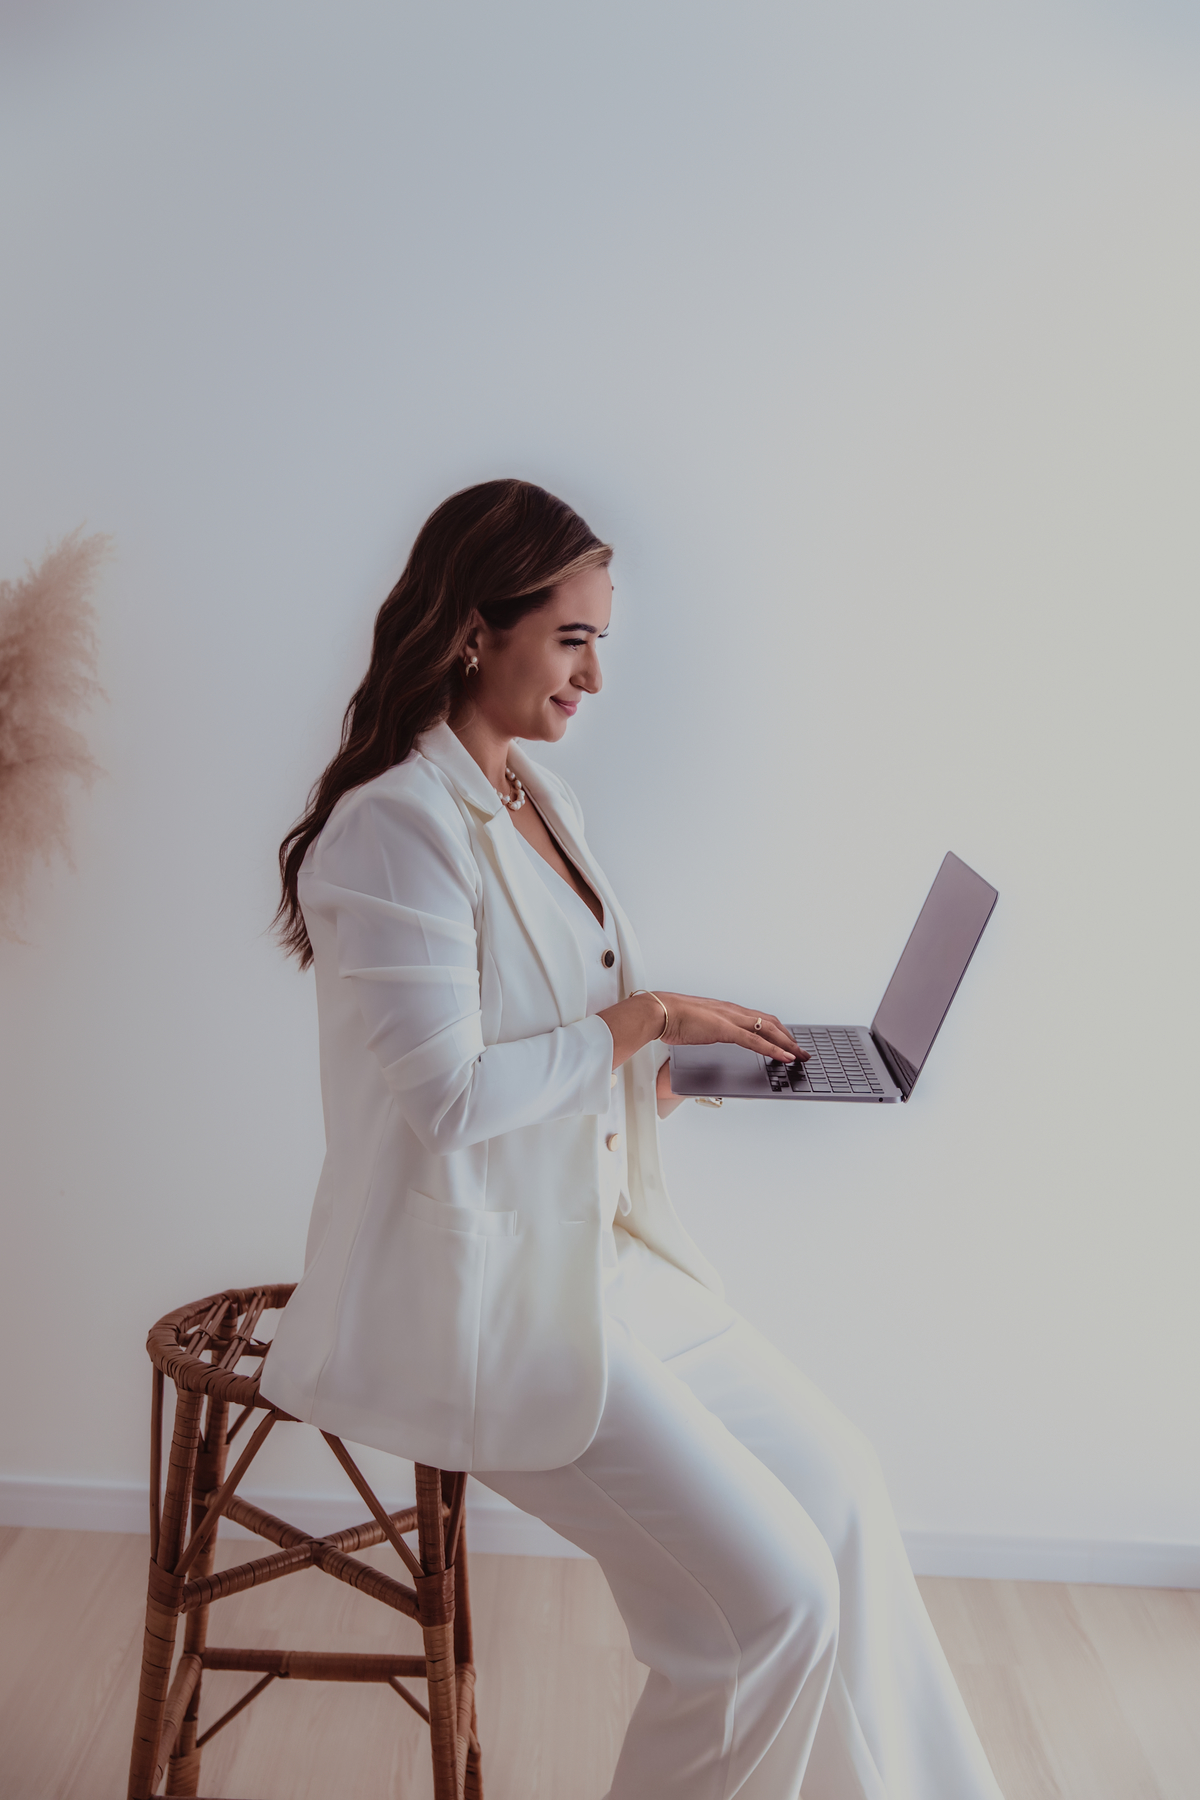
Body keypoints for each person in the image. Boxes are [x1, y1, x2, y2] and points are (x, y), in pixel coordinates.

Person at [262, 479, 1005, 1800]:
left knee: (840, 1487)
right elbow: (451, 1100)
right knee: (768, 1608)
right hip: (487, 1304)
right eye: (572, 640)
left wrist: (685, 1070)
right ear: (473, 630)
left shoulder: (536, 798)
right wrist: (643, 1019)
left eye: (601, 641)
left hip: (598, 1263)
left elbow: (558, 1060)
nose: (595, 677)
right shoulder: (393, 830)